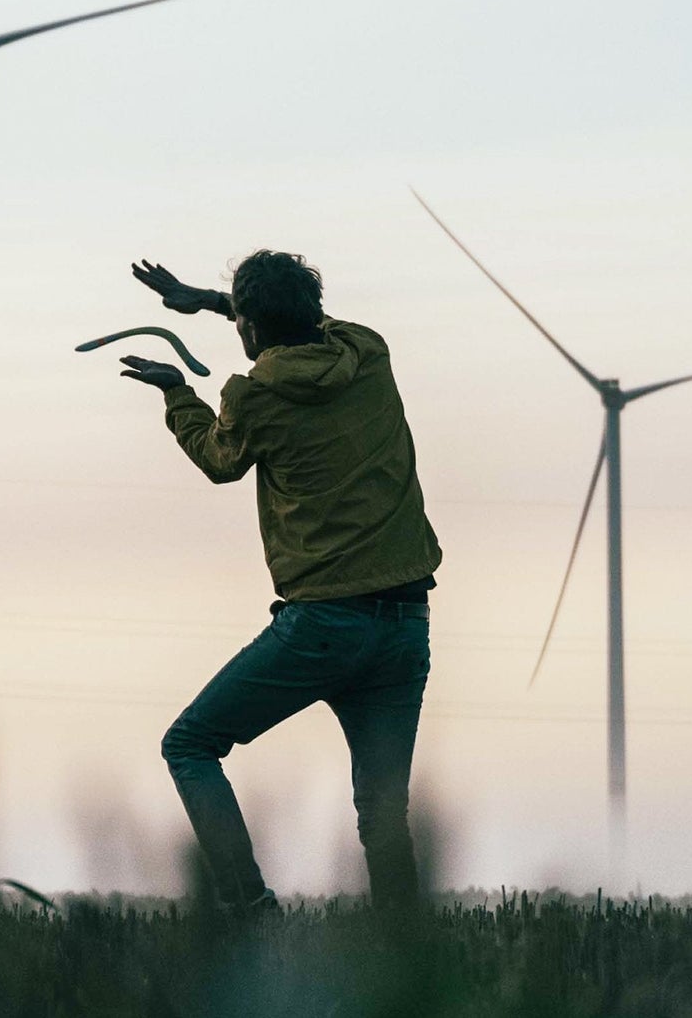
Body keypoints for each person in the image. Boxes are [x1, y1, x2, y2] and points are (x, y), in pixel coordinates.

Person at [118, 250, 441, 913]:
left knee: (190, 745)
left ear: (252, 329)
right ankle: (407, 956)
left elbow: (218, 458)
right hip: (405, 626)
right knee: (384, 814)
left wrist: (177, 391)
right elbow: (297, 324)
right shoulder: (367, 351)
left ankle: (248, 906)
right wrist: (209, 301)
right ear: (315, 309)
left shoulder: (255, 398)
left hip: (322, 625)